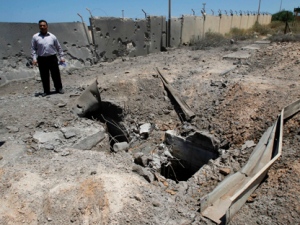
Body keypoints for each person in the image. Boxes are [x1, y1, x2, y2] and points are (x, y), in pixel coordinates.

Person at [31, 19, 65, 97]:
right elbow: (33, 48)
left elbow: (58, 47)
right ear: (39, 27)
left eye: (44, 25)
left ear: (47, 26)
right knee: (44, 75)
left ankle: (59, 88)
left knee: (55, 74)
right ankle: (46, 91)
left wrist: (61, 57)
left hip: (52, 58)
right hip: (42, 59)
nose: (42, 27)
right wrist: (34, 59)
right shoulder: (35, 37)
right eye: (41, 26)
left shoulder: (52, 36)